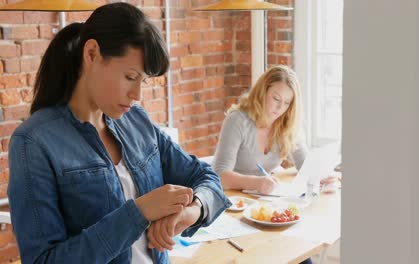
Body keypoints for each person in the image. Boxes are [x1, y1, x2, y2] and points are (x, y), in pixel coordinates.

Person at [7, 3, 230, 264]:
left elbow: (206, 177)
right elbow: (43, 261)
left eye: (143, 81)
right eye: (129, 76)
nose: (137, 95)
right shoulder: (33, 142)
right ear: (91, 54)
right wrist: (139, 213)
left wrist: (193, 211)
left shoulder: (136, 121)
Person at [212, 65, 307, 194]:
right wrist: (256, 183)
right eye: (276, 98)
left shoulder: (288, 123)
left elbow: (305, 164)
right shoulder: (237, 120)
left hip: (262, 197)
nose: (280, 107)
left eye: (287, 103)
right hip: (232, 197)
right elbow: (220, 175)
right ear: (263, 91)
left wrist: (321, 177)